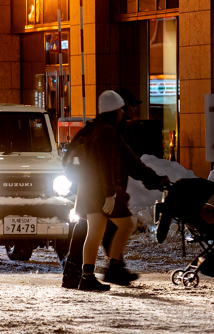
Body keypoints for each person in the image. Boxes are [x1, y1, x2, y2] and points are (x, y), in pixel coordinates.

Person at [70, 90, 168, 291]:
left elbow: (71, 158)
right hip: (103, 192)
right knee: (127, 224)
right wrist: (110, 193)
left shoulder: (91, 129)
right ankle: (113, 267)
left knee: (94, 232)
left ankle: (86, 276)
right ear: (116, 111)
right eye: (120, 110)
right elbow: (107, 165)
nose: (123, 114)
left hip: (87, 189)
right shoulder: (109, 132)